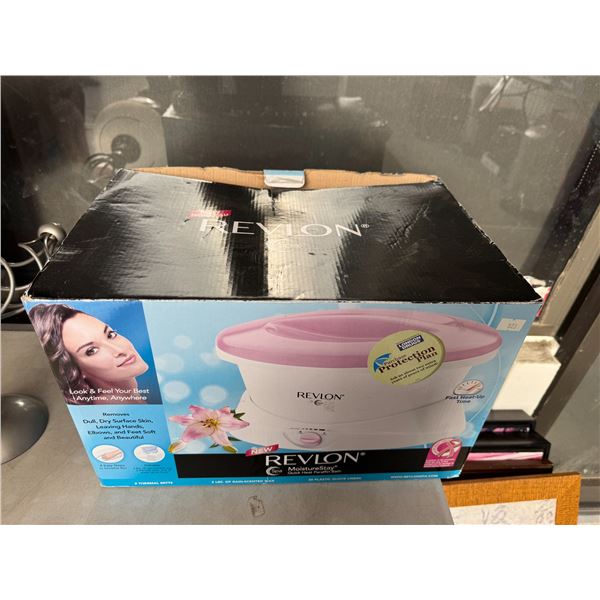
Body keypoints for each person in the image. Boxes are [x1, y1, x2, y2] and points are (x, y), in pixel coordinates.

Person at [28, 303, 149, 405]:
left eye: (110, 335)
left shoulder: (129, 402)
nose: (119, 350)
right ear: (73, 370)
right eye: (91, 350)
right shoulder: (113, 412)